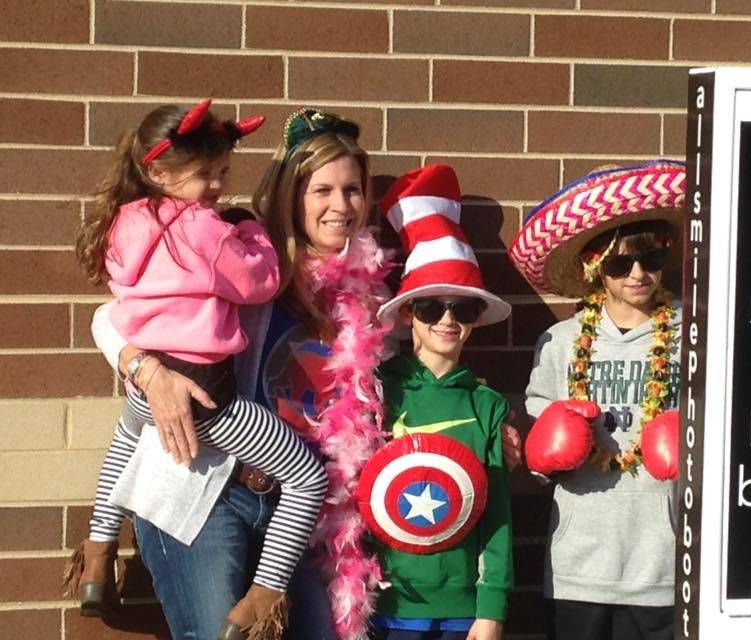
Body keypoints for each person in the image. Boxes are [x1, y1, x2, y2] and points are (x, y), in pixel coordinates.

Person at [86, 108, 392, 640]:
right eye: (322, 190)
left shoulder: (367, 297)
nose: (340, 206)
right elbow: (109, 317)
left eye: (353, 190)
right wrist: (146, 369)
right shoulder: (241, 256)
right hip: (200, 489)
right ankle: (98, 542)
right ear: (290, 192)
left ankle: (97, 542)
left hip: (291, 519)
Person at [508, 161, 685, 640]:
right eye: (619, 263)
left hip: (661, 565)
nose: (637, 274)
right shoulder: (561, 340)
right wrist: (548, 447)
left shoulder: (692, 336)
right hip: (578, 564)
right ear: (595, 267)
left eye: (650, 259)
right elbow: (536, 434)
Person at [363, 164, 514, 640]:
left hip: (463, 610)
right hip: (388, 605)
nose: (447, 320)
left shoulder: (486, 405)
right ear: (408, 314)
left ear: (474, 319)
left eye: (462, 308)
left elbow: (498, 515)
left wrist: (491, 609)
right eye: (431, 307)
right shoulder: (376, 391)